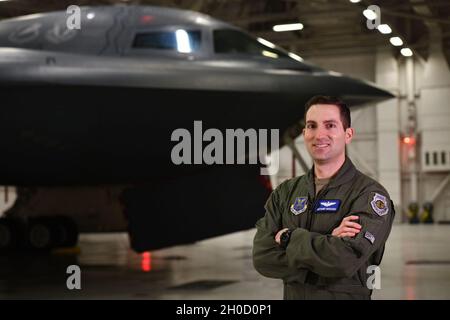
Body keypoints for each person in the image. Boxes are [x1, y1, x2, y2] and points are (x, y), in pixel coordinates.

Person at [253, 95, 395, 300]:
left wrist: (289, 238)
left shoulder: (369, 195)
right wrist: (326, 249)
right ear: (304, 133)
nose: (319, 134)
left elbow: (344, 260)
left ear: (348, 134)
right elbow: (262, 257)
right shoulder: (285, 193)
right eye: (312, 126)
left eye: (330, 125)